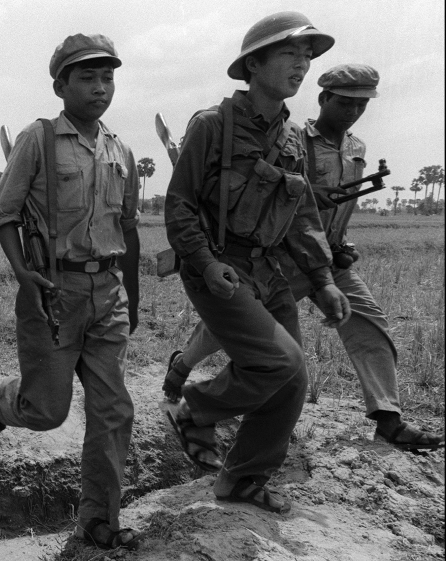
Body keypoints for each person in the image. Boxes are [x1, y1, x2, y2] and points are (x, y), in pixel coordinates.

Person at [163, 63, 444, 453]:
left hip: (328, 258)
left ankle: (388, 418)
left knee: (368, 322)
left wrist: (335, 248)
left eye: (362, 104)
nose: (354, 111)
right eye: (345, 102)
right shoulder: (293, 139)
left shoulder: (355, 149)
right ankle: (182, 370)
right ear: (324, 98)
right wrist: (309, 192)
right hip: (280, 258)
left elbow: (325, 212)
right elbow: (266, 193)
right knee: (233, 329)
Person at [161, 11, 352, 515]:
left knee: (293, 381)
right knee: (279, 360)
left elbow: (301, 216)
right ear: (254, 63)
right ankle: (195, 411)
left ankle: (242, 479)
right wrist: (202, 262)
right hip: (218, 270)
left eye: (308, 56)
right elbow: (178, 204)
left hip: (270, 272)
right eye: (291, 53)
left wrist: (322, 279)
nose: (303, 64)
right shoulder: (211, 126)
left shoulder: (292, 139)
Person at [0, 34, 141, 551]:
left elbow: (127, 227)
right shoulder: (38, 138)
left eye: (107, 77)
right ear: (60, 85)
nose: (100, 88)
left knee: (115, 411)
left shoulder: (121, 149)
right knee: (47, 412)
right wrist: (24, 274)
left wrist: (130, 294)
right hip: (53, 291)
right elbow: (4, 215)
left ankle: (98, 519)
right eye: (86, 77)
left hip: (107, 291)